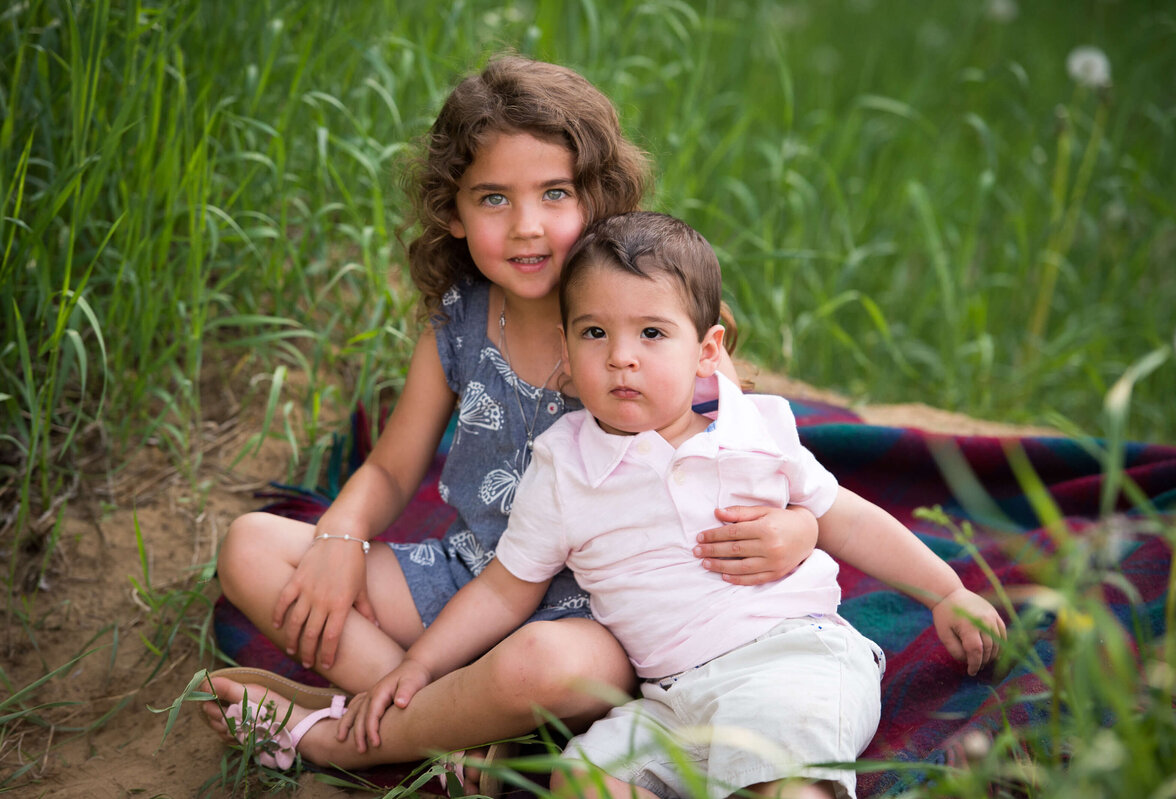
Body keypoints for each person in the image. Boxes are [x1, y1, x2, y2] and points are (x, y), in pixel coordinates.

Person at [199, 56, 819, 782]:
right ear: (452, 213)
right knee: (251, 547)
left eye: (554, 193)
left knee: (549, 665)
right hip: (472, 580)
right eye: (493, 198)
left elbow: (754, 455)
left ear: (599, 198)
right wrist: (339, 536)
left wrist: (797, 527)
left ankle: (344, 725)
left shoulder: (634, 328)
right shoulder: (458, 321)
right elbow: (394, 467)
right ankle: (444, 724)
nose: (527, 227)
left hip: (604, 614)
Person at [336, 212, 1006, 799]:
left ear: (706, 352)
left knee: (787, 775)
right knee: (580, 777)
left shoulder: (754, 429)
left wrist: (945, 591)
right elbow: (505, 589)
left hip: (790, 658)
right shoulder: (563, 465)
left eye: (651, 334)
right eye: (595, 333)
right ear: (566, 355)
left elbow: (845, 516)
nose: (622, 357)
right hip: (666, 699)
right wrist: (423, 664)